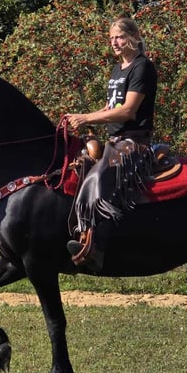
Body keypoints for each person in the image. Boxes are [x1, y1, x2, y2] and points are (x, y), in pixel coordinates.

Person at [64, 15, 158, 270]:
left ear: (134, 38)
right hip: (114, 140)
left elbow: (127, 111)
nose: (114, 43)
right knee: (79, 168)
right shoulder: (118, 70)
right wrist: (83, 118)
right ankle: (76, 233)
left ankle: (98, 248)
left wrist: (86, 118)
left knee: (99, 179)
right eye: (111, 38)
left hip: (133, 143)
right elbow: (110, 108)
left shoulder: (142, 67)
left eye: (119, 37)